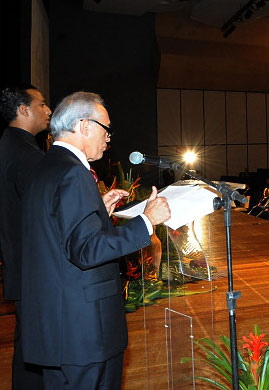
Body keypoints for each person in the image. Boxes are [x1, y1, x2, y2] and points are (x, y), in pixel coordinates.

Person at [20, 92, 171, 389]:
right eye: (107, 129)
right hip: (84, 332)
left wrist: (98, 210)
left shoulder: (46, 167)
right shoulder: (74, 173)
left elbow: (55, 233)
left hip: (58, 327)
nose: (109, 138)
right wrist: (147, 221)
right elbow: (86, 251)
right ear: (84, 125)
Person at [0, 84, 52, 389]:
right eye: (42, 104)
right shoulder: (25, 154)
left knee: (28, 350)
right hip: (34, 269)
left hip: (19, 264)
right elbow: (49, 211)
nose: (47, 110)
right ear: (23, 110)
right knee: (35, 353)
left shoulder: (9, 144)